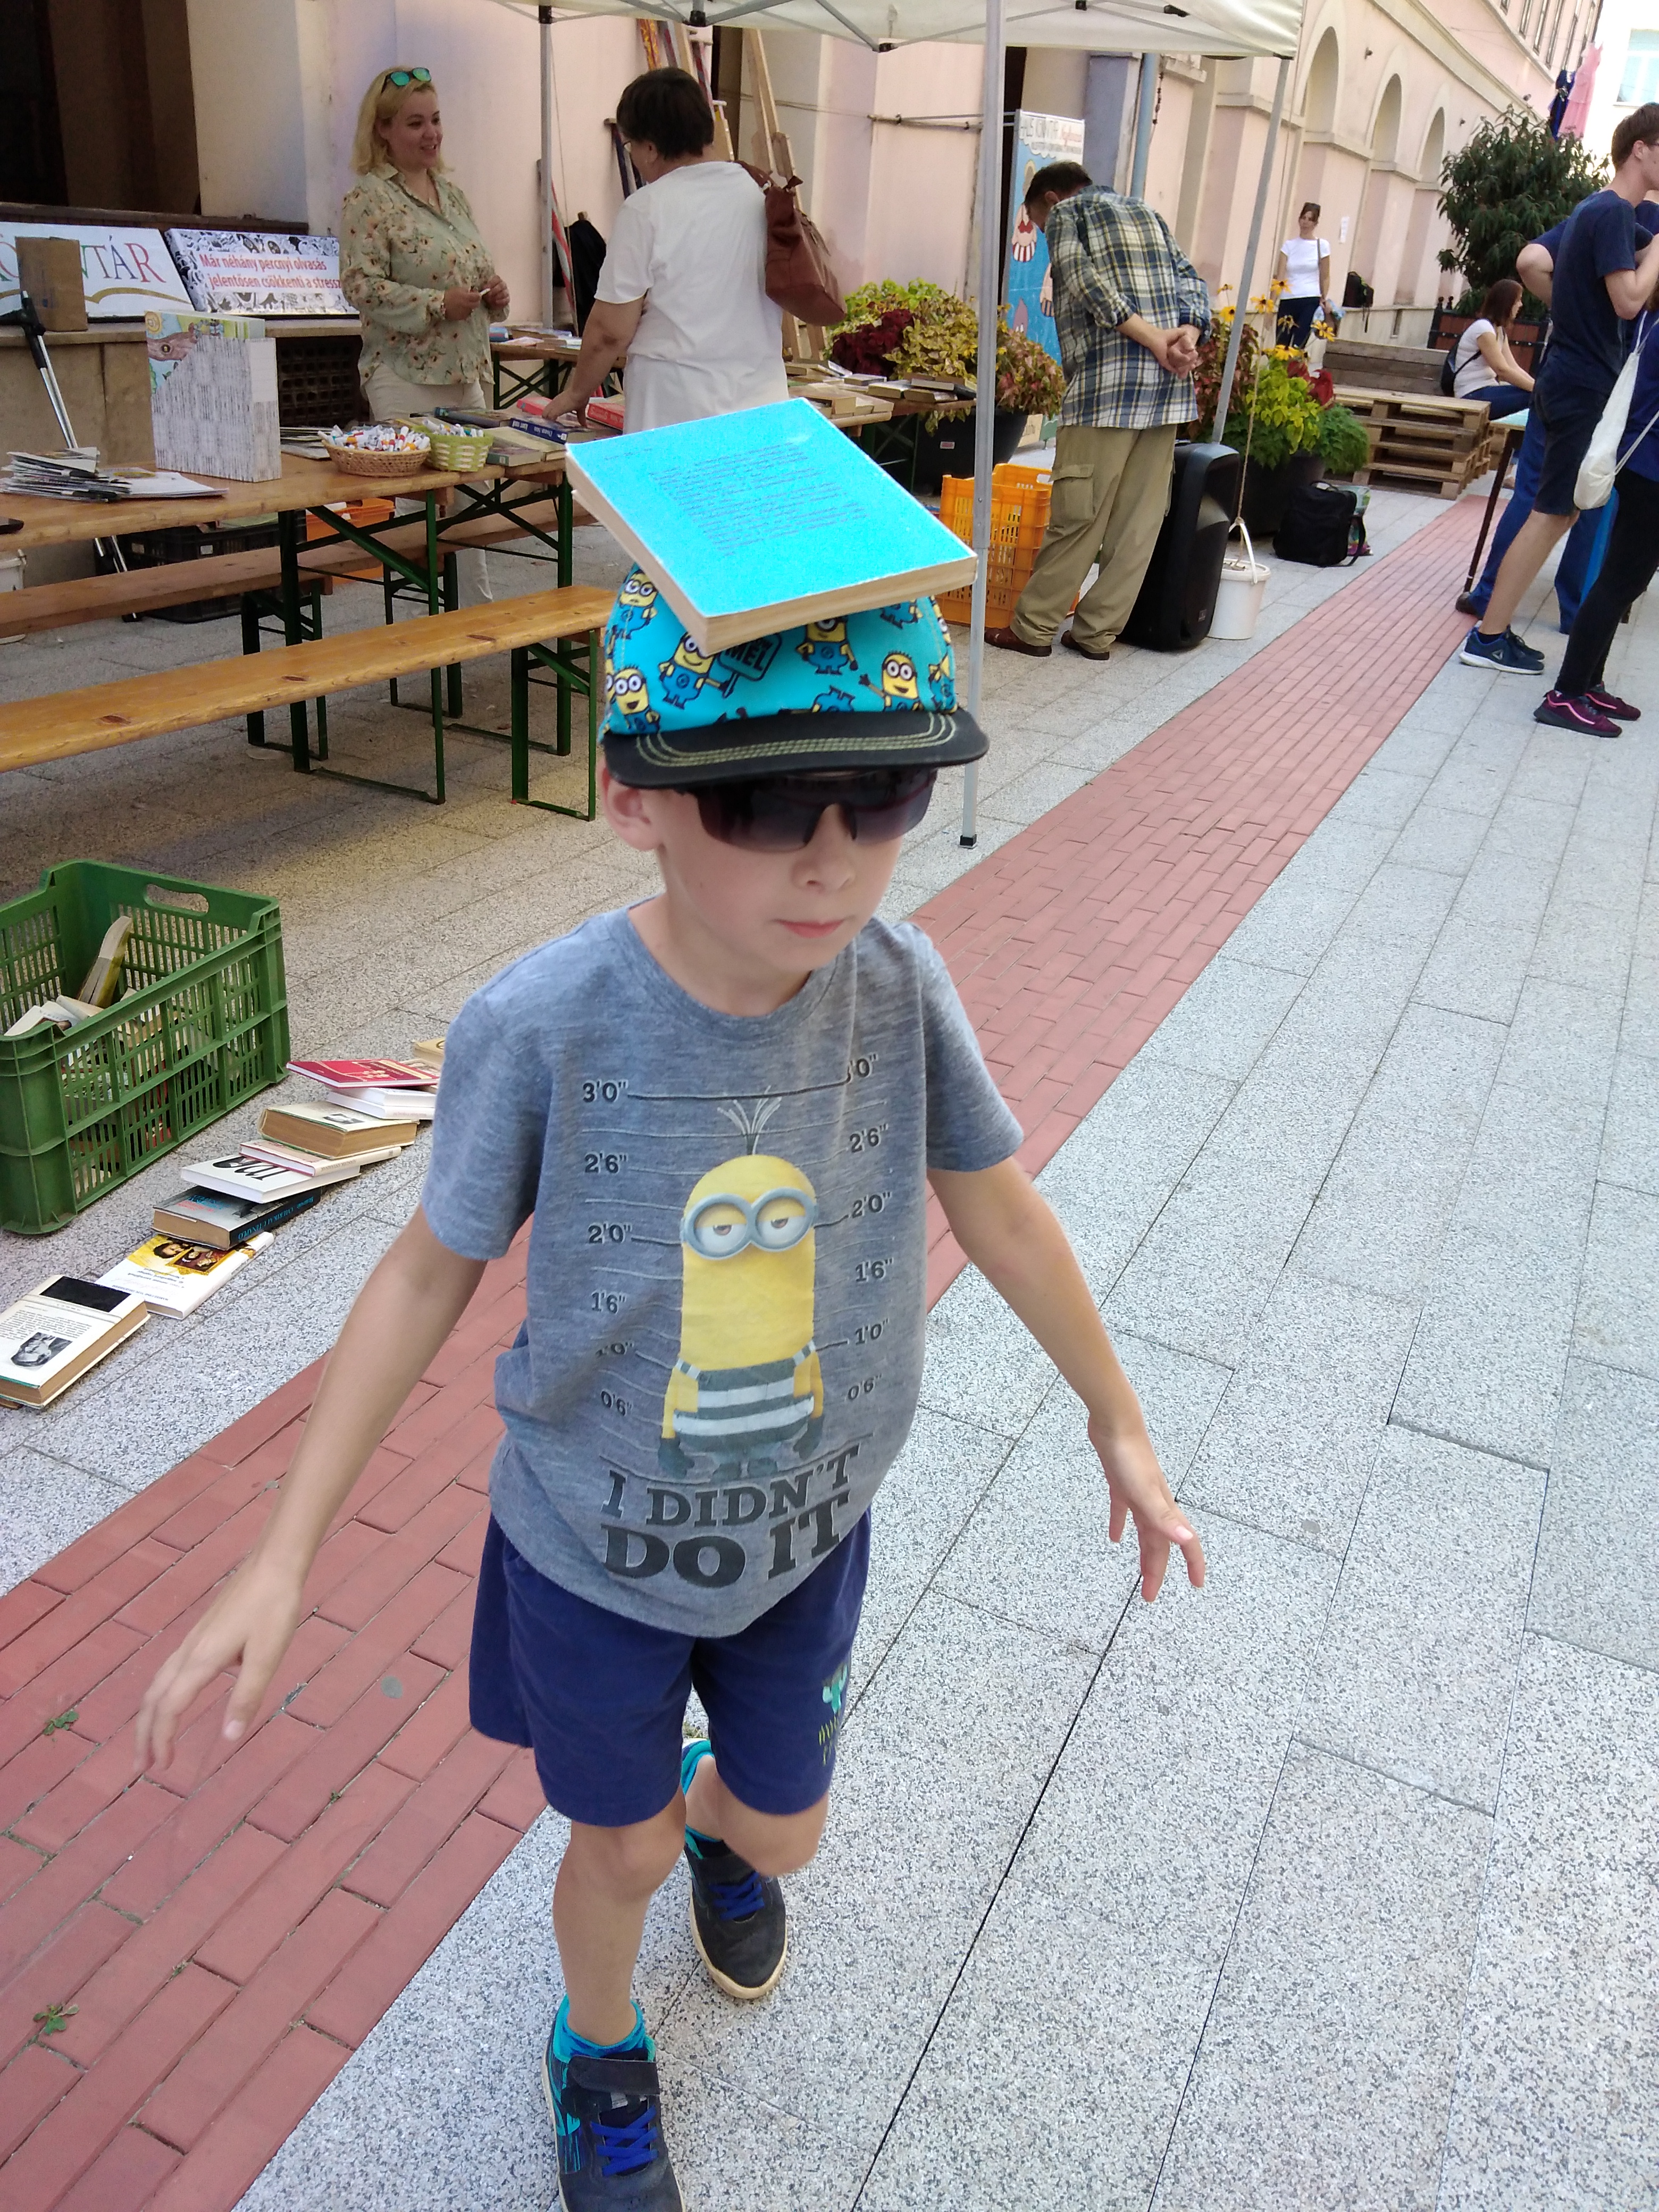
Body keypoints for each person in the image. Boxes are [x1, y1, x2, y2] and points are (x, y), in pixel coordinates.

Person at [133, 587, 1204, 2212]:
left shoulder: (898, 985)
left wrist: (1111, 1413)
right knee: (615, 1849)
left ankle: (722, 1828)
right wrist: (283, 1555)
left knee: (780, 1831)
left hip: (804, 1535)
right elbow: (421, 1277)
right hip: (590, 1548)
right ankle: (598, 2048)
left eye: (884, 797)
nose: (831, 861)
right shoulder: (540, 1023)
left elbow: (994, 1203)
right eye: (765, 804)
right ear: (633, 797)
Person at [1462, 104, 1659, 673]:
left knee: (1558, 512)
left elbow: (1619, 268)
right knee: (1553, 513)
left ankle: (1493, 630)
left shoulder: (1600, 212)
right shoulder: (1612, 212)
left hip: (1567, 378)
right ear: (1641, 149)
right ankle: (1488, 636)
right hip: (1582, 384)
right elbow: (1630, 300)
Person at [987, 161, 1209, 663]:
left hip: (1105, 390)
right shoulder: (1148, 213)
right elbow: (1193, 284)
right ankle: (1096, 635)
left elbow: (1085, 283)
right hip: (1167, 392)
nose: (1045, 234)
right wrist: (1185, 338)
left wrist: (1154, 340)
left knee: (1079, 512)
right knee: (1139, 522)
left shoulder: (1068, 215)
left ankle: (1034, 628)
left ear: (1050, 199)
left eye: (1039, 225)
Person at [339, 65, 508, 604]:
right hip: (405, 375)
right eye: (415, 123)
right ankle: (427, 633)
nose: (432, 133)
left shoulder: (453, 197)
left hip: (465, 372)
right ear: (383, 130)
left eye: (435, 120)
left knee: (473, 514)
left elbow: (473, 270)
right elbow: (360, 285)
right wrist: (436, 305)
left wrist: (494, 292)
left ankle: (475, 624)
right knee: (421, 522)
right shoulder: (368, 200)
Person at [556, 69, 787, 432]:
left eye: (630, 146)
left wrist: (577, 392)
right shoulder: (760, 193)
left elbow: (610, 330)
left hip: (677, 409)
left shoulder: (647, 208)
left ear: (650, 149)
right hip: (762, 404)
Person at [1534, 298, 1659, 733]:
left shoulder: (1651, 316)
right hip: (1651, 467)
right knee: (1619, 583)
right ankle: (1564, 695)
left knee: (1625, 582)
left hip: (1642, 463)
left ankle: (1589, 683)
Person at [1448, 277, 1535, 418]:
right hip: (1472, 395)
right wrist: (1539, 392)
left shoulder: (1499, 331)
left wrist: (1539, 387)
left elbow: (1513, 367)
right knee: (1536, 399)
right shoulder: (1483, 329)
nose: (1521, 305)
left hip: (1487, 391)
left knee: (1538, 397)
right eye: (1518, 300)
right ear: (1507, 303)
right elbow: (1502, 370)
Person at [1275, 203, 1331, 350]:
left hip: (1309, 299)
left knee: (1298, 345)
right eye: (1304, 218)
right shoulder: (1289, 246)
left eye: (1310, 219)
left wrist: (1324, 297)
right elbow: (1279, 278)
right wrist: (1271, 303)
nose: (1306, 222)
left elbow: (1325, 276)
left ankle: (1296, 365)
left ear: (1316, 223)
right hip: (1288, 299)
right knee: (1281, 345)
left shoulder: (1322, 246)